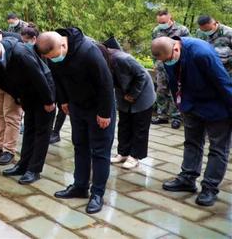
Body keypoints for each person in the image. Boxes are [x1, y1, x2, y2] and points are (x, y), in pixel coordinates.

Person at [36, 28, 115, 214]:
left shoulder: (88, 51)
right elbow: (57, 78)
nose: (55, 60)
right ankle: (80, 186)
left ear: (64, 44)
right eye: (51, 58)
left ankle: (97, 193)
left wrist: (104, 112)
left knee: (100, 151)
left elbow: (106, 83)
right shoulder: (52, 50)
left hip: (98, 107)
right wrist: (63, 100)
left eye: (56, 56)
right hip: (76, 105)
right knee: (79, 146)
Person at [151, 36, 232, 207]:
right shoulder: (167, 55)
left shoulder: (201, 53)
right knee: (192, 142)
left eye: (168, 59)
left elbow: (223, 82)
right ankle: (187, 179)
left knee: (218, 148)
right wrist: (180, 105)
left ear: (176, 49)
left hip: (216, 106)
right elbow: (173, 82)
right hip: (190, 104)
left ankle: (209, 187)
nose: (167, 63)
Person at [0, 35, 55, 184]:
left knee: (42, 133)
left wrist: (49, 100)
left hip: (43, 93)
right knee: (29, 130)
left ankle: (34, 170)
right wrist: (19, 98)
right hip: (27, 95)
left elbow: (39, 76)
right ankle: (23, 165)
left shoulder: (19, 52)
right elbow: (5, 82)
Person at [98, 44, 155, 170]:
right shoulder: (102, 62)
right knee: (124, 124)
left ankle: (135, 156)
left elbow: (142, 75)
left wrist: (133, 94)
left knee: (140, 127)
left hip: (142, 94)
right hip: (123, 95)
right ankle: (123, 153)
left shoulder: (123, 59)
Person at [22, 26, 65, 143]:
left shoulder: (51, 46)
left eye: (26, 41)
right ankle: (49, 130)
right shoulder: (36, 50)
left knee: (62, 106)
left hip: (59, 81)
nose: (24, 44)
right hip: (49, 82)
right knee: (51, 107)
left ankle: (56, 132)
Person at [151, 9, 190, 129]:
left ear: (170, 18)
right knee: (161, 90)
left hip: (176, 65)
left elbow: (186, 46)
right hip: (161, 66)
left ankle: (176, 117)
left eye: (163, 21)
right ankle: (162, 115)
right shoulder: (157, 30)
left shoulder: (182, 30)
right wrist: (155, 62)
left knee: (175, 90)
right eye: (159, 22)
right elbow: (154, 47)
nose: (161, 24)